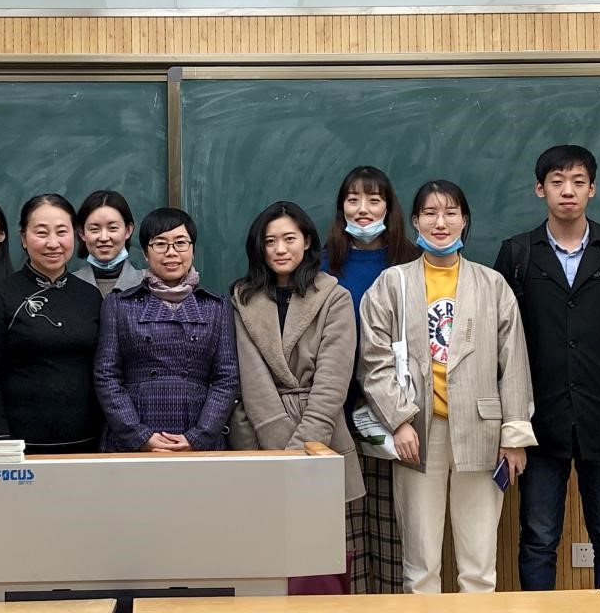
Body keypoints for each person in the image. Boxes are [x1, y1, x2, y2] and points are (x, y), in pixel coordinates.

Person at [359, 180, 536, 594]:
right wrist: (399, 420)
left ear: (464, 221)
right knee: (420, 567)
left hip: (482, 432)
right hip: (418, 433)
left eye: (451, 213)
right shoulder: (392, 284)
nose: (441, 222)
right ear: (415, 221)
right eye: (430, 213)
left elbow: (513, 364)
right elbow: (373, 360)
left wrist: (513, 436)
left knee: (479, 567)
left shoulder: (492, 285)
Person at [494, 145, 600, 590]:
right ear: (540, 189)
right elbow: (499, 344)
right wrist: (510, 422)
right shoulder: (517, 254)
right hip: (539, 420)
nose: (568, 191)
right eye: (557, 182)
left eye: (578, 182)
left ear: (592, 189)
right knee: (538, 539)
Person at [322, 165, 420, 594]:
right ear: (341, 206)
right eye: (353, 200)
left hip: (396, 415)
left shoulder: (412, 261)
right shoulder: (322, 263)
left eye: (374, 200)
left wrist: (398, 412)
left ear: (389, 207)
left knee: (394, 529)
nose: (363, 209)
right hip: (336, 415)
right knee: (347, 534)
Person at [230, 200, 365, 493]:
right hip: (257, 435)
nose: (280, 249)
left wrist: (304, 446)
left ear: (306, 241)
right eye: (270, 241)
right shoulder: (243, 298)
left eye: (289, 239)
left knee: (319, 519)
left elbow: (332, 384)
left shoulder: (335, 298)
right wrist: (283, 452)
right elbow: (252, 380)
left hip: (320, 436)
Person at [94, 207, 238, 452]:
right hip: (132, 439)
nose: (171, 252)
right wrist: (139, 436)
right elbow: (106, 376)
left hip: (198, 437)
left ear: (192, 249)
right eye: (160, 244)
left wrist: (198, 437)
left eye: (180, 243)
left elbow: (227, 378)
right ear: (146, 253)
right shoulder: (119, 304)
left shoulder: (216, 305)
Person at [0, 194, 103, 452]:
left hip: (87, 441)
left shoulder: (90, 295)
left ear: (75, 236)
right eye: (41, 232)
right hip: (19, 445)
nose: (53, 243)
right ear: (23, 237)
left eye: (62, 232)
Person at [73, 189, 143, 296]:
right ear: (82, 233)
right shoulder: (69, 286)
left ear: (128, 230)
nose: (104, 238)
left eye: (113, 228)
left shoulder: (151, 286)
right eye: (94, 229)